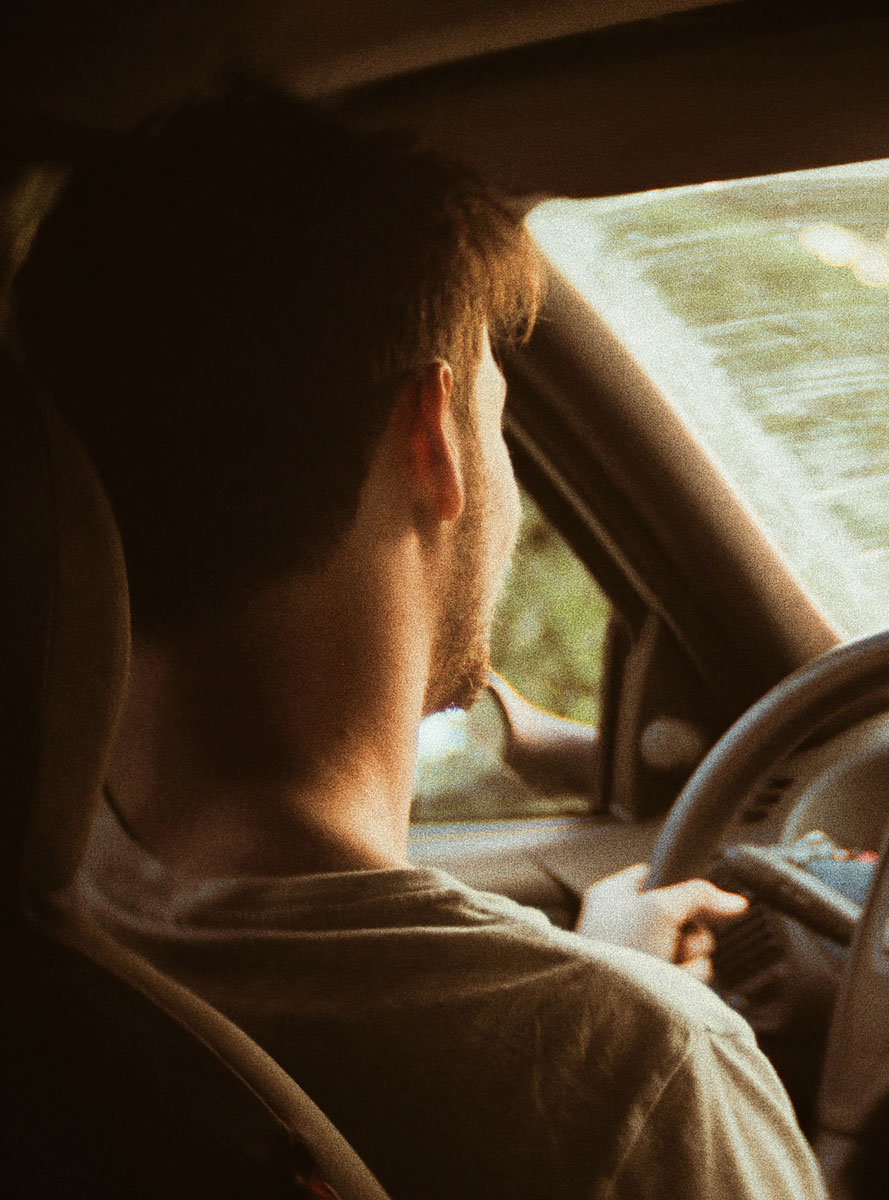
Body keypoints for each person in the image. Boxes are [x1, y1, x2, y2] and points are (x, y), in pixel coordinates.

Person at [14, 90, 826, 1200]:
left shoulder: (55, 958)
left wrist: (596, 978)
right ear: (433, 436)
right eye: (498, 426)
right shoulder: (641, 1084)